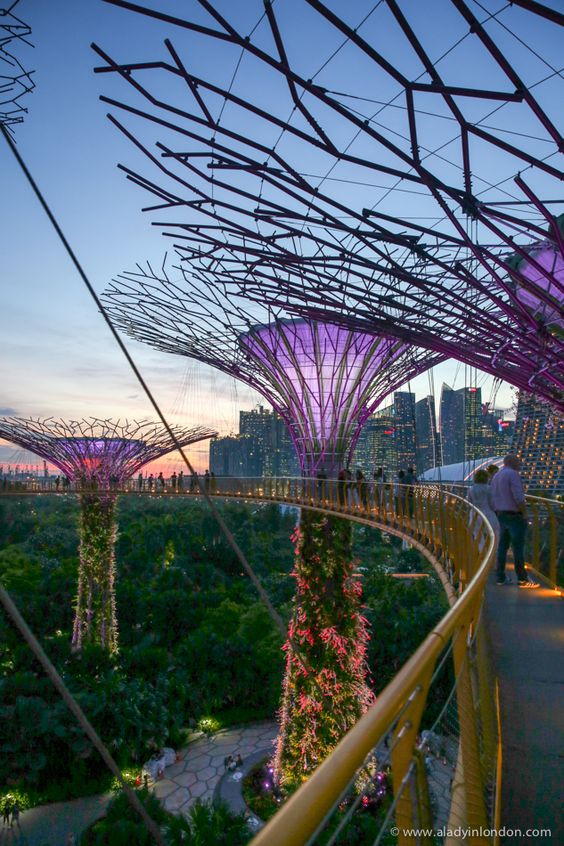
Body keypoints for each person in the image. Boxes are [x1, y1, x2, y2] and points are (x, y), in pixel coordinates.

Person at [490, 454, 538, 588]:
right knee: (518, 547)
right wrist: (525, 513)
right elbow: (519, 497)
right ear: (512, 462)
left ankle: (500, 577)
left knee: (502, 547)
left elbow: (492, 497)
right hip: (514, 515)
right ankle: (522, 579)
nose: (520, 464)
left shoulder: (496, 476)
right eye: (518, 462)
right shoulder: (513, 474)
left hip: (501, 514)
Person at [467, 469, 499, 540]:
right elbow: (492, 504)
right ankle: (491, 550)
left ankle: (480, 550)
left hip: (474, 514)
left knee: (477, 536)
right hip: (488, 515)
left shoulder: (471, 489)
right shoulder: (489, 489)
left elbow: (469, 502)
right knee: (493, 536)